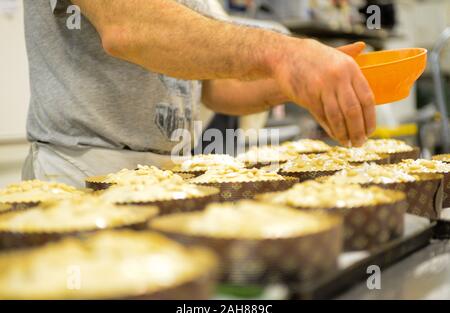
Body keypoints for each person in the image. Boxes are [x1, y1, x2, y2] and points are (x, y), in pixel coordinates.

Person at [22, 0, 375, 187]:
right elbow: (127, 25)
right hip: (82, 176)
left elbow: (215, 83)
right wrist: (283, 54)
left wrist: (308, 80)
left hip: (169, 174)